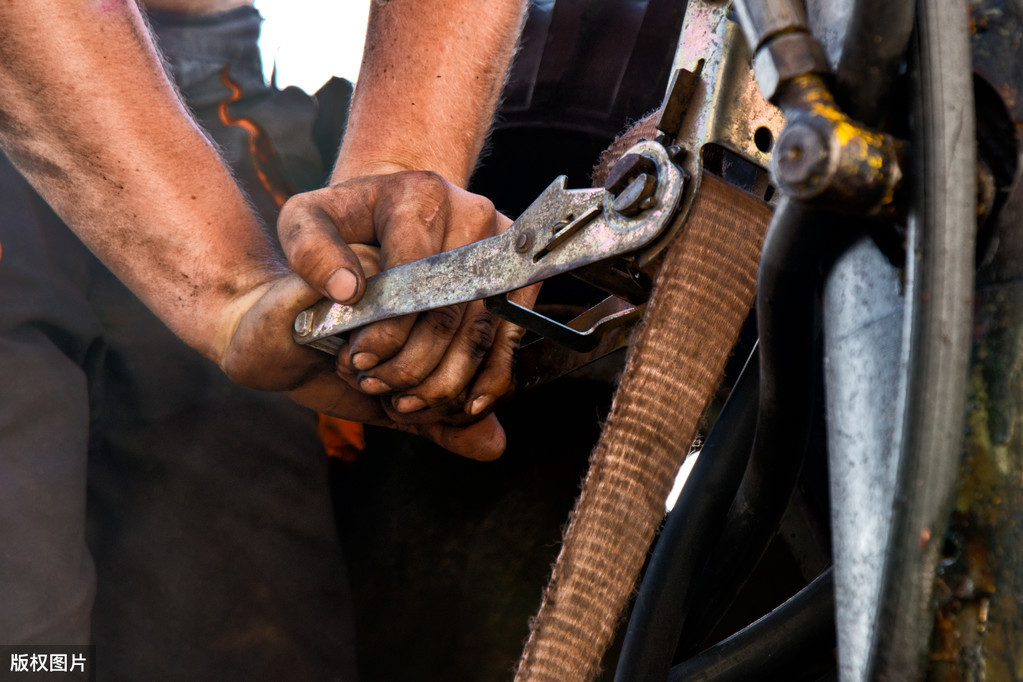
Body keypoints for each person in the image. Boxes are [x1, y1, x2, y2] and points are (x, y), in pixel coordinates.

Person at [0, 0, 529, 677]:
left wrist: (397, 196)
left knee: (252, 642)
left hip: (195, 84)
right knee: (29, 635)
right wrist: (225, 290)